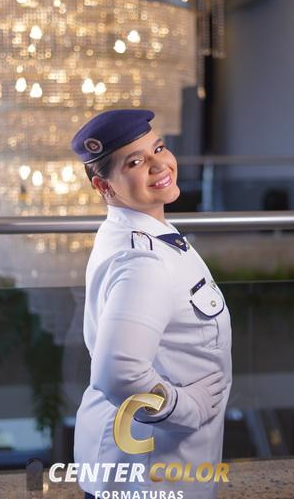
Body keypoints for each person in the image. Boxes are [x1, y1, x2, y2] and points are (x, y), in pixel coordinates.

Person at [71, 109, 232, 499]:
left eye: (158, 148)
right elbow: (117, 373)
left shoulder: (145, 231)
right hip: (147, 473)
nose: (159, 165)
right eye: (135, 162)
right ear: (104, 186)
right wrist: (187, 409)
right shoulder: (143, 260)